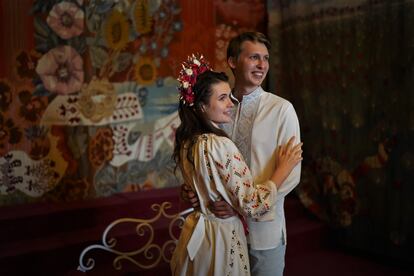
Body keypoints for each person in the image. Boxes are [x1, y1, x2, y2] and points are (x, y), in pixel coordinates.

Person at [170, 54, 302, 276]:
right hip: (221, 237)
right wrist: (282, 169)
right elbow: (252, 203)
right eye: (222, 98)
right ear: (202, 106)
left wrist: (194, 194)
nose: (230, 103)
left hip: (201, 236)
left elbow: (200, 186)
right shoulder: (219, 144)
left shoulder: (187, 142)